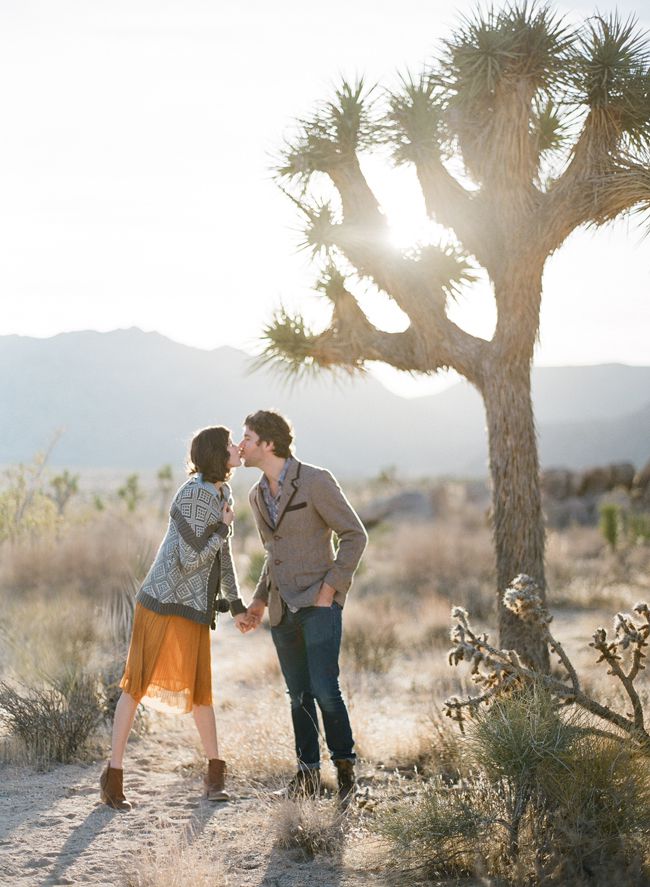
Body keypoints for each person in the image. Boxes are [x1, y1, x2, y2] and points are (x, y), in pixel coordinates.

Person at [100, 426, 252, 811]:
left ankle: (215, 776)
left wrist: (235, 604)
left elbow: (221, 554)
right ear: (218, 452)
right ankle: (113, 775)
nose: (238, 448)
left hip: (194, 607)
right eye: (232, 443)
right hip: (161, 602)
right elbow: (191, 557)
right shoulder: (193, 495)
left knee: (201, 691)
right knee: (135, 686)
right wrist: (223, 528)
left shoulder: (221, 492)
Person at [240, 409, 367, 804]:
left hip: (318, 604)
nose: (240, 446)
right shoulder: (256, 495)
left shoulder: (315, 481)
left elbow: (354, 535)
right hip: (282, 610)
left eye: (246, 438)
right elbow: (272, 555)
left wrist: (330, 589)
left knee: (326, 691)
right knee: (298, 697)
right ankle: (308, 778)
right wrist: (259, 602)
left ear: (268, 444)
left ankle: (346, 777)